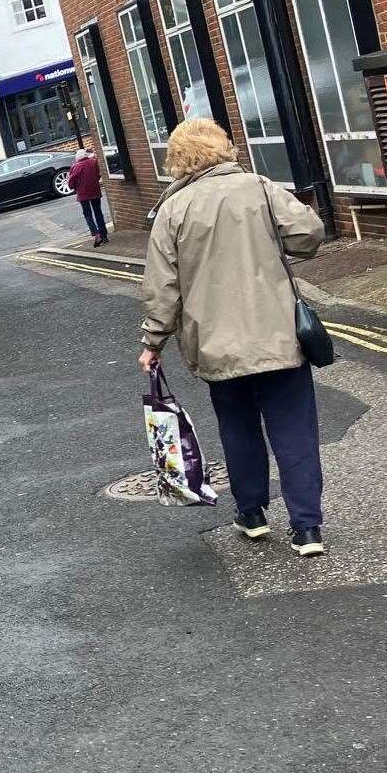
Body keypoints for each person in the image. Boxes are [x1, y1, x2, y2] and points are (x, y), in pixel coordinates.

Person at [138, 117, 329, 557]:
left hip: (216, 344)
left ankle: (253, 514)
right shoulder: (260, 188)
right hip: (278, 336)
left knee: (237, 427)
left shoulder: (173, 210)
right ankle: (307, 529)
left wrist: (152, 344)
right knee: (294, 430)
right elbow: (308, 234)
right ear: (223, 148)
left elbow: (162, 288)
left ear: (179, 158)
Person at [68, 148, 108, 246]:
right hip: (95, 191)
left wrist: (74, 186)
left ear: (77, 158)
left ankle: (96, 234)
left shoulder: (75, 166)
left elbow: (71, 183)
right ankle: (104, 235)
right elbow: (98, 175)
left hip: (83, 193)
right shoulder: (93, 163)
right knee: (98, 212)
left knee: (87, 214)